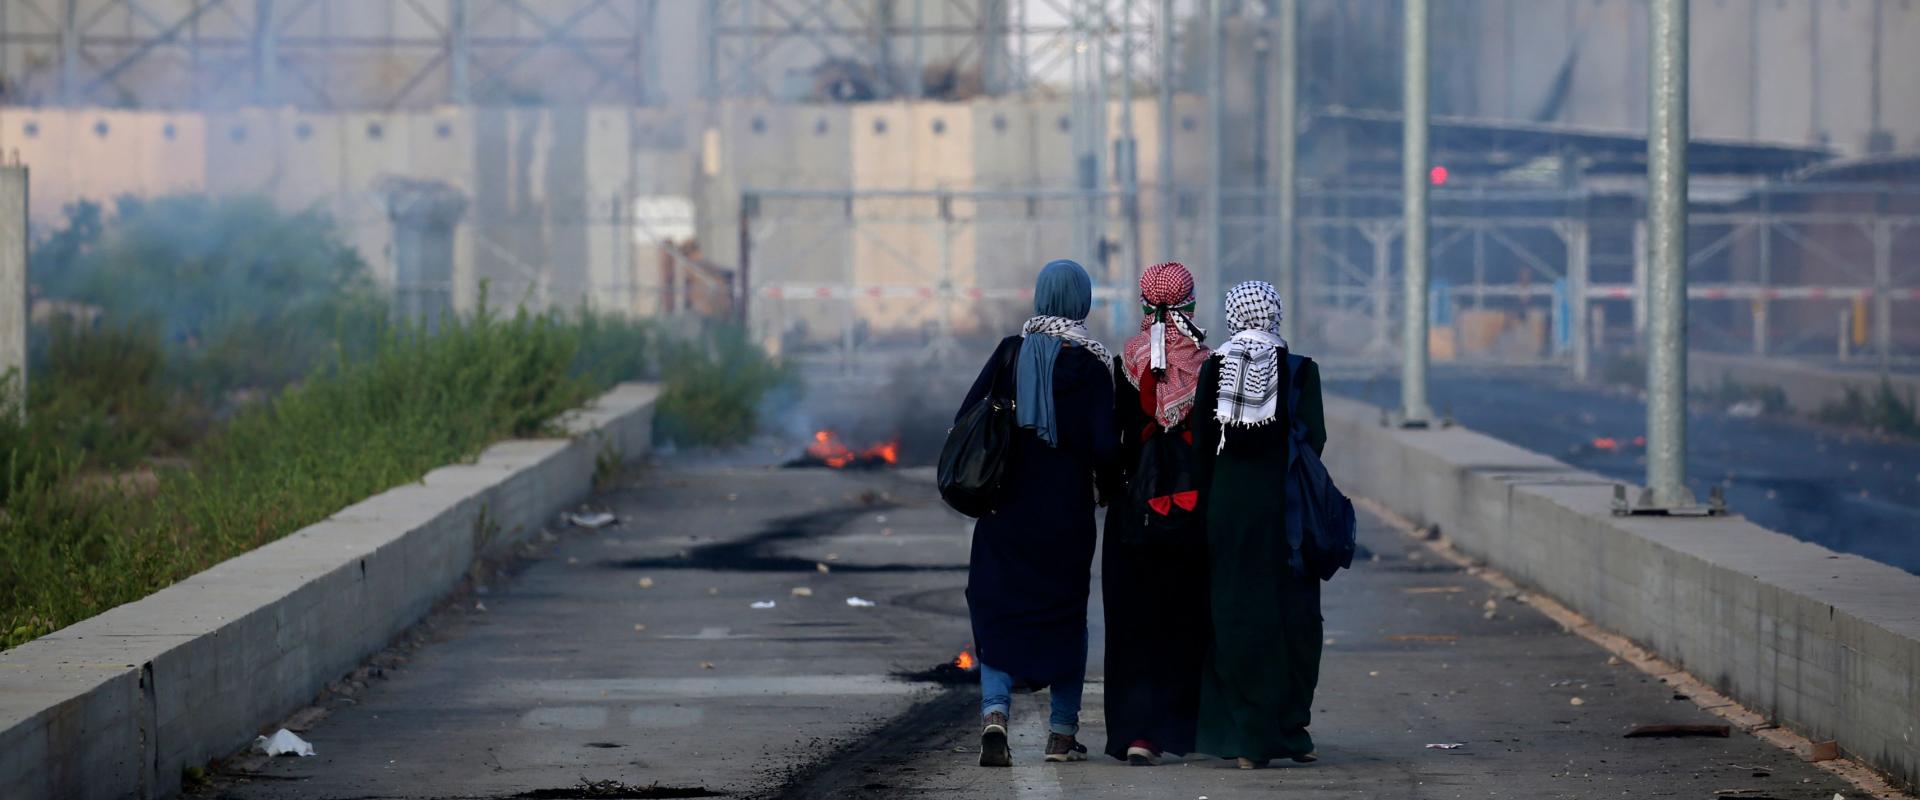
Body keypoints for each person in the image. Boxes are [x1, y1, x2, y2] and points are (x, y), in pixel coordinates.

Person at [958, 259, 1118, 768]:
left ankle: (995, 716)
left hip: (1006, 510)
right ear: (1082, 301)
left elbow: (969, 418)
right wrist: (1109, 491)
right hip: (1065, 517)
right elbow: (1104, 449)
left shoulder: (1010, 353)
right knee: (1066, 615)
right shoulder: (1093, 367)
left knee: (996, 608)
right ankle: (1061, 735)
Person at [1190, 280, 1328, 770]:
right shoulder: (1299, 371)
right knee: (1293, 619)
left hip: (1229, 514)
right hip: (1287, 517)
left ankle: (1247, 736)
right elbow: (1317, 441)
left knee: (1234, 616)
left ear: (1233, 316)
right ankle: (1292, 731)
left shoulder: (1215, 368)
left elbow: (1201, 447)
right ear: (1275, 315)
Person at [1100, 262, 1212, 766]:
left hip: (1133, 513)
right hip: (1190, 513)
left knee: (1131, 623)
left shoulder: (1127, 360)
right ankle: (1175, 731)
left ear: (1144, 303)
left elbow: (1112, 441)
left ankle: (1132, 732)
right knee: (1183, 619)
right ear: (1189, 302)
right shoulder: (1209, 364)